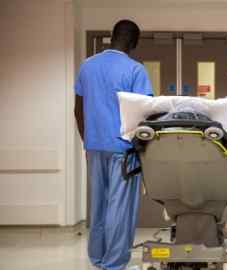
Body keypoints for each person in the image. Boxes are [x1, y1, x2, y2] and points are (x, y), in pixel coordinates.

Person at [74, 20, 153, 270]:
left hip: (95, 147)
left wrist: (87, 141)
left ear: (111, 36)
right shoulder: (135, 70)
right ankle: (115, 263)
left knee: (99, 204)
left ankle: (97, 257)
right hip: (124, 149)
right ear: (133, 43)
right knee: (120, 207)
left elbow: (78, 109)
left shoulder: (86, 67)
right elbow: (145, 114)